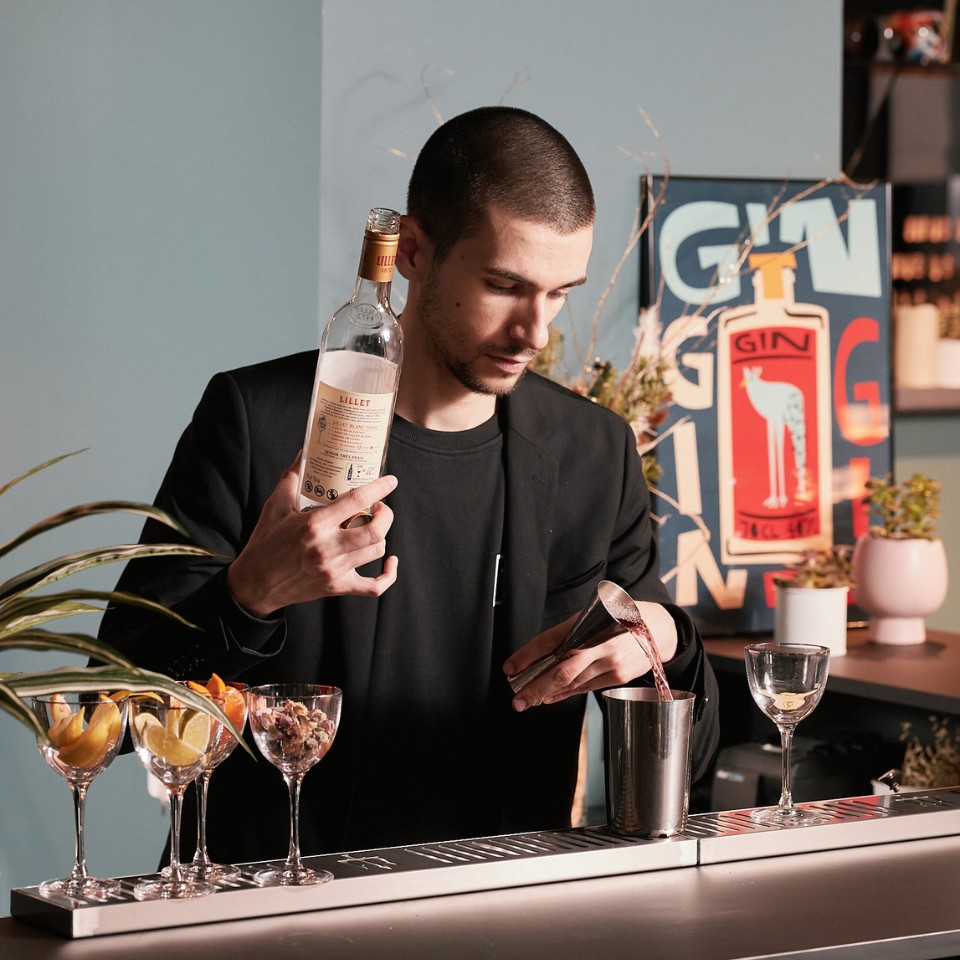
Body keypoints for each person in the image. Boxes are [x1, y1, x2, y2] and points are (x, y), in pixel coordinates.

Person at [99, 105, 719, 865]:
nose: (538, 331)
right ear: (414, 252)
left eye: (560, 293)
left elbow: (689, 764)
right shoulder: (260, 421)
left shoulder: (594, 453)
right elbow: (115, 704)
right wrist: (247, 595)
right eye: (505, 285)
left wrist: (668, 645)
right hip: (269, 910)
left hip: (500, 911)